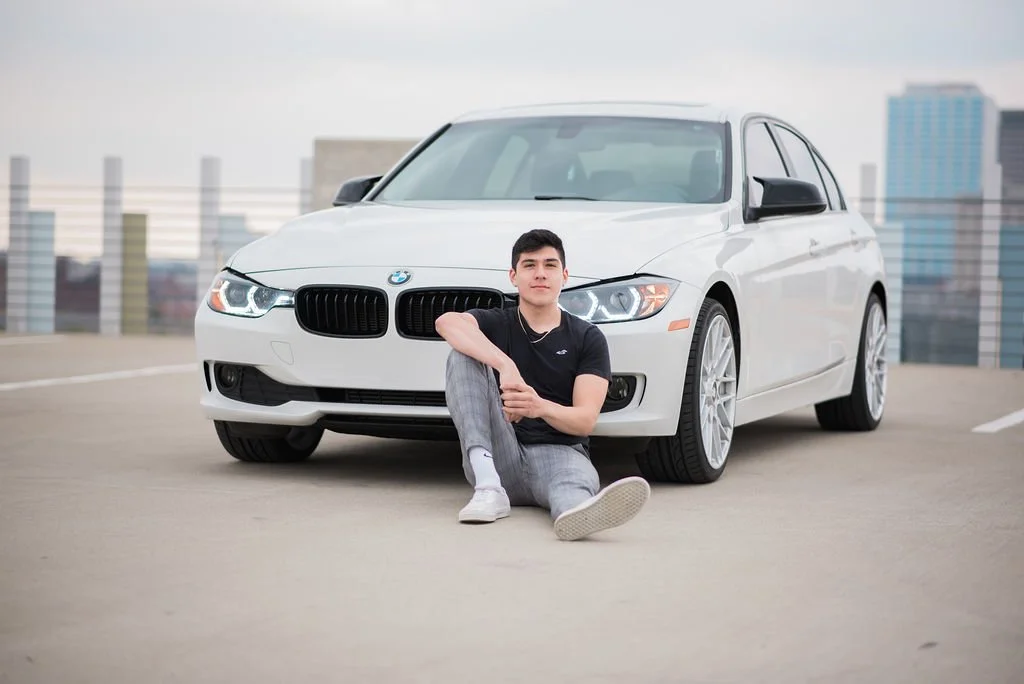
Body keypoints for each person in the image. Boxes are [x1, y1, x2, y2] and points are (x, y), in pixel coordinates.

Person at [435, 228, 651, 541]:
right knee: (462, 355)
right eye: (529, 265)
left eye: (550, 266)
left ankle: (577, 514)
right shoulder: (498, 322)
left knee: (572, 488)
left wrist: (539, 407)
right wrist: (506, 366)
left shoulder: (587, 337)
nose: (540, 274)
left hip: (559, 453)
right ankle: (488, 489)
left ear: (564, 275)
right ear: (513, 276)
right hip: (500, 455)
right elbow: (447, 323)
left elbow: (585, 420)